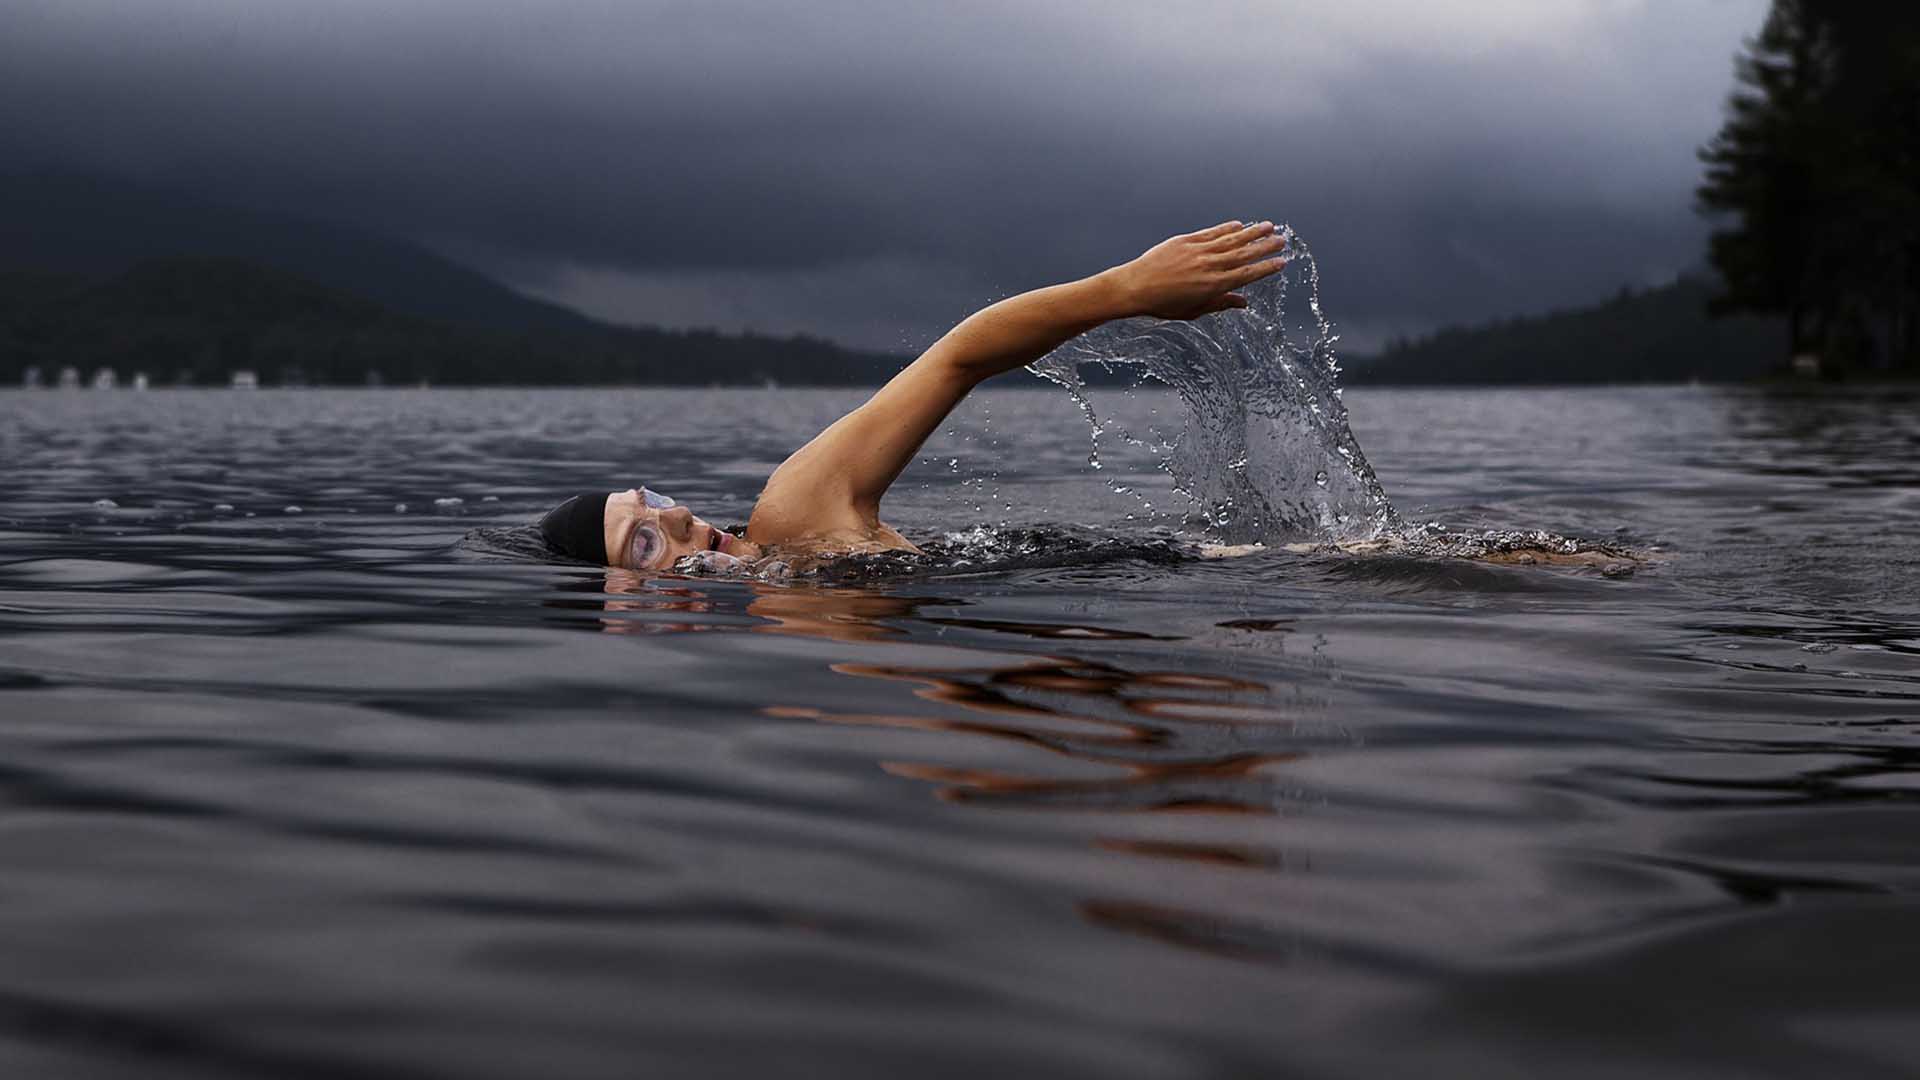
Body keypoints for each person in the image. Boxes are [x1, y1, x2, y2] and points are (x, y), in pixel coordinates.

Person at [539, 220, 1289, 570]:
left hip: (1240, 570)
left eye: (653, 500)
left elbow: (957, 358)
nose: (676, 515)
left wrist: (1125, 290)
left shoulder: (794, 517)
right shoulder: (788, 635)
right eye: (643, 541)